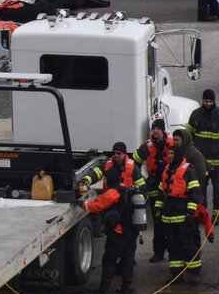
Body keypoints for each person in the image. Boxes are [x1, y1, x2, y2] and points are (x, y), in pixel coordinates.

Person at [81, 164, 139, 294]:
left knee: (109, 260)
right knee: (128, 260)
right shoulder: (127, 189)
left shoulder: (112, 193)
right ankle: (126, 287)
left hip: (118, 233)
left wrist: (81, 204)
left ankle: (104, 288)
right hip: (132, 233)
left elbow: (96, 205)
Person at [157, 143, 204, 285]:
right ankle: (176, 274)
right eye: (168, 154)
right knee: (172, 246)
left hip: (183, 216)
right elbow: (161, 192)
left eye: (171, 154)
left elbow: (194, 193)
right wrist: (158, 210)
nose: (169, 156)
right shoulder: (166, 170)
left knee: (188, 245)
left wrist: (190, 213)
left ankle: (194, 273)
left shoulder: (188, 171)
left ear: (177, 155)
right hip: (169, 216)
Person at [134, 119, 175, 263]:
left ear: (163, 130)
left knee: (171, 222)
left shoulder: (172, 144)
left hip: (170, 187)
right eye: (153, 128)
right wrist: (141, 182)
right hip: (154, 188)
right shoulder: (147, 146)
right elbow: (135, 163)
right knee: (158, 222)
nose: (155, 131)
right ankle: (158, 252)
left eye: (158, 128)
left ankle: (174, 254)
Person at [187, 88, 219, 207]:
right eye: (206, 101)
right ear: (203, 100)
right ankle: (202, 214)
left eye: (210, 101)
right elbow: (189, 135)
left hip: (217, 162)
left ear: (214, 101)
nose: (208, 104)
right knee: (200, 189)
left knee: (218, 190)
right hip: (201, 161)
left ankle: (217, 216)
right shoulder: (196, 115)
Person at [79, 141, 144, 191]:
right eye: (114, 153)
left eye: (118, 153)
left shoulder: (133, 167)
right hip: (110, 200)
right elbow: (96, 173)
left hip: (127, 201)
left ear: (124, 154)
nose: (116, 155)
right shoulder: (107, 164)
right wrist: (86, 180)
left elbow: (141, 186)